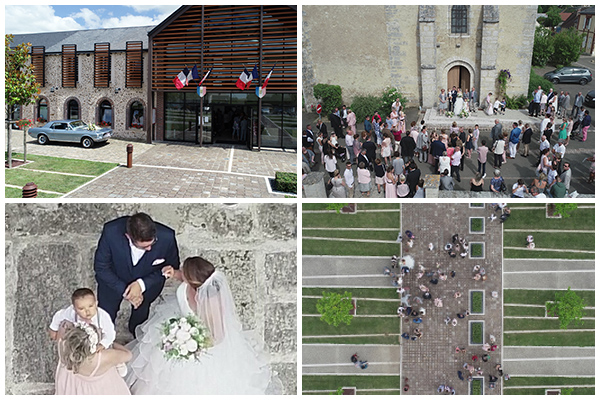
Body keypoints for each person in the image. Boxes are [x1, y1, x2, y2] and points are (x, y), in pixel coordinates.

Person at [126, 257, 279, 394]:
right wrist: (174, 273)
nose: (181, 274)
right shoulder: (191, 283)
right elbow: (182, 278)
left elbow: (217, 337)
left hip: (198, 350)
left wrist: (189, 344)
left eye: (183, 272)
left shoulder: (211, 302)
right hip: (179, 329)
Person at [94, 213, 180, 336]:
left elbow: (171, 268)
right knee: (104, 322)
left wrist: (141, 285)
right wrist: (128, 292)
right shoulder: (111, 231)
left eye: (152, 243)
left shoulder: (167, 236)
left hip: (147, 290)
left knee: (139, 324)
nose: (150, 249)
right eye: (144, 247)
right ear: (128, 236)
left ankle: (136, 341)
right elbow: (101, 267)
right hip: (112, 285)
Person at [55, 323, 132, 395]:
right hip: (98, 390)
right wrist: (109, 343)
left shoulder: (63, 344)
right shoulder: (102, 357)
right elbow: (128, 355)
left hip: (70, 387)